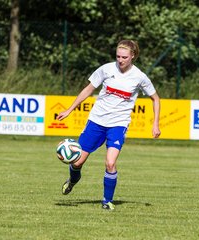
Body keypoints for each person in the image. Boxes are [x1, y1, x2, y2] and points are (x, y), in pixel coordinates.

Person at [56, 39, 161, 211]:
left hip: (118, 124)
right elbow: (88, 89)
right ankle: (72, 181)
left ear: (133, 56)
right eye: (118, 56)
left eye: (124, 57)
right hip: (96, 122)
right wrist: (69, 110)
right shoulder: (106, 69)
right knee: (76, 162)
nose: (120, 60)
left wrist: (155, 124)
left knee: (110, 163)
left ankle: (107, 201)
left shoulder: (140, 77)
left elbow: (155, 98)